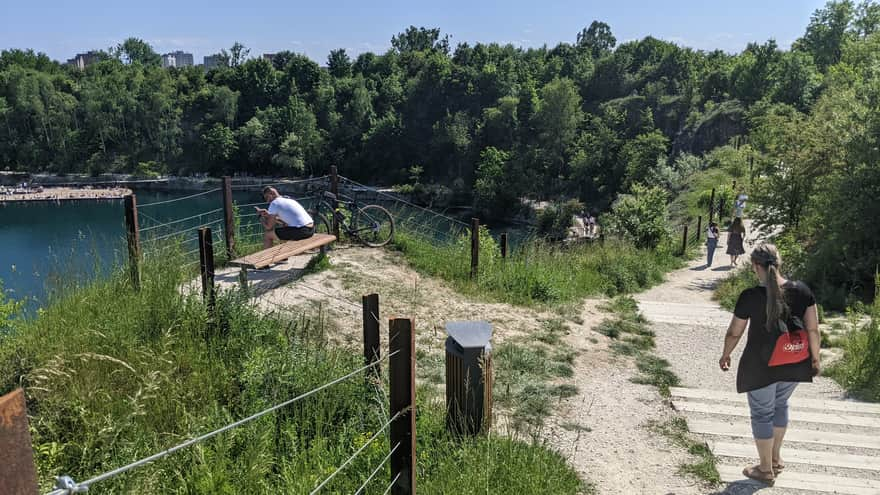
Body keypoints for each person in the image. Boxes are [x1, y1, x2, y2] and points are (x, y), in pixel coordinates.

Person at [718, 244, 820, 486]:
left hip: (760, 365)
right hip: (794, 360)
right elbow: (813, 328)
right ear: (779, 262)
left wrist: (726, 354)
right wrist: (815, 358)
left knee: (762, 413)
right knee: (780, 404)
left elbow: (735, 332)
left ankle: (764, 470)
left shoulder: (750, 296)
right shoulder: (803, 291)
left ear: (755, 266)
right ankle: (774, 458)